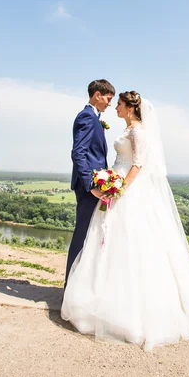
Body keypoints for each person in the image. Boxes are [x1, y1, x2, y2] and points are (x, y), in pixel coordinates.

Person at [62, 90, 189, 351]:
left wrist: (119, 189)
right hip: (115, 184)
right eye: (113, 101)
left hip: (127, 191)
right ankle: (100, 295)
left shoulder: (138, 132)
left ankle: (128, 309)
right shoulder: (126, 128)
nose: (114, 106)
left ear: (130, 107)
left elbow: (138, 164)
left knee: (130, 243)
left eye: (118, 103)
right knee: (105, 242)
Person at [65, 79, 115, 284]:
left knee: (92, 235)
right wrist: (91, 185)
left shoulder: (95, 117)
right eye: (108, 98)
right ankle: (71, 285)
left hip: (95, 185)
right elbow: (79, 153)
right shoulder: (87, 116)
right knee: (83, 234)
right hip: (89, 188)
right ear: (97, 95)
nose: (110, 103)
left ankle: (83, 284)